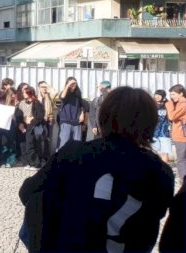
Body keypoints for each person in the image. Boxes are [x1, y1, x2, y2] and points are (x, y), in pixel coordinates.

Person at [19, 87, 174, 252]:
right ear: (150, 123)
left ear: (104, 116)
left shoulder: (73, 154)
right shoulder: (160, 172)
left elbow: (27, 192)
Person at [16, 87, 48, 170]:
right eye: (23, 92)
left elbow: (40, 116)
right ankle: (27, 162)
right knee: (24, 145)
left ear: (30, 93)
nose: (23, 94)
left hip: (32, 126)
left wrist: (31, 120)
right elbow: (18, 114)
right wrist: (21, 122)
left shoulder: (36, 103)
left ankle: (35, 163)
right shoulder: (22, 103)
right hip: (23, 126)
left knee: (32, 145)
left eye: (25, 93)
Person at [57, 77, 84, 150]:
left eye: (74, 83)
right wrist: (68, 85)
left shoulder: (78, 93)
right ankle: (60, 159)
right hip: (66, 121)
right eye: (71, 83)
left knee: (77, 144)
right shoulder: (64, 92)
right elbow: (62, 97)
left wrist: (82, 114)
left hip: (76, 122)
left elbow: (81, 105)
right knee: (64, 143)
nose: (73, 85)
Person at [166, 84, 186, 180]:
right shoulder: (179, 103)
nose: (171, 97)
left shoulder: (183, 104)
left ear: (181, 94)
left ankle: (184, 181)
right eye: (170, 94)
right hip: (181, 135)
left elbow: (172, 117)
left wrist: (169, 105)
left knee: (181, 160)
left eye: (173, 94)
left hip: (182, 136)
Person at [37, 81, 58, 153]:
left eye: (45, 87)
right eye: (42, 87)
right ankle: (40, 154)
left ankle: (48, 155)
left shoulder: (49, 95)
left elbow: (55, 93)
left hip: (49, 119)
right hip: (39, 119)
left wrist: (48, 86)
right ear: (39, 88)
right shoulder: (37, 97)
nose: (44, 89)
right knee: (40, 137)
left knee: (49, 137)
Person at [153, 89, 172, 164]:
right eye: (156, 94)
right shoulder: (151, 104)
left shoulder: (167, 105)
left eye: (159, 95)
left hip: (164, 133)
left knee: (164, 152)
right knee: (154, 153)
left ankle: (165, 169)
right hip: (153, 132)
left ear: (163, 96)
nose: (157, 96)